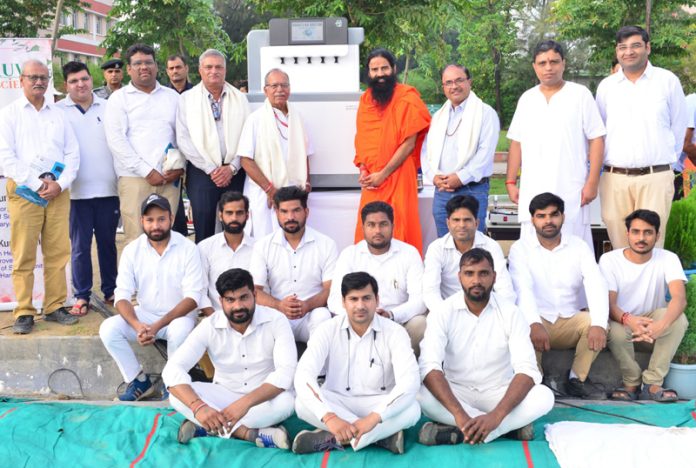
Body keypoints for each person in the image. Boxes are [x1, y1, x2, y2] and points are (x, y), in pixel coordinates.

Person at [418, 248, 554, 445]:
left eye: (483, 273)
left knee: (544, 396)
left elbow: (527, 369)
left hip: (498, 392)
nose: (476, 281)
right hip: (457, 391)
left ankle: (469, 432)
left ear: (494, 276)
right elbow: (429, 366)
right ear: (459, 277)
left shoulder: (511, 312)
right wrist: (459, 414)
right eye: (469, 273)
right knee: (419, 393)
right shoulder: (442, 312)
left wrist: (496, 416)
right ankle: (504, 429)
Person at [163, 268, 296, 448]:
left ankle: (208, 427)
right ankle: (248, 434)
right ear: (221, 301)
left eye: (244, 297)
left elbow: (285, 373)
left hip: (262, 399)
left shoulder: (276, 320)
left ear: (254, 295)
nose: (238, 306)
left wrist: (245, 403)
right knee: (176, 396)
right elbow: (173, 369)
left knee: (287, 402)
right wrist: (198, 407)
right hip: (223, 396)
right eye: (230, 300)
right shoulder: (209, 326)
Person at [293, 272, 421, 454]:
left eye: (366, 298)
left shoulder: (395, 332)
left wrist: (374, 418)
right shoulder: (327, 330)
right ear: (343, 302)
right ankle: (381, 438)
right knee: (301, 403)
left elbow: (409, 382)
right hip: (338, 401)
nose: (360, 306)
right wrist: (330, 418)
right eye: (353, 299)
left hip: (379, 404)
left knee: (413, 410)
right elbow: (303, 375)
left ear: (377, 299)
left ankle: (337, 439)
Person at [0, 59, 80, 334]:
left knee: (58, 252)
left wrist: (61, 183)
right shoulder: (9, 114)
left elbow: (72, 153)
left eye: (44, 78)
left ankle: (55, 306)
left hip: (57, 193)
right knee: (23, 255)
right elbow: (5, 157)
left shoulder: (58, 114)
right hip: (24, 192)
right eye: (33, 77)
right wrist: (37, 184)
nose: (39, 82)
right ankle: (23, 311)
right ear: (21, 80)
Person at [99, 194, 204, 401]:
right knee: (109, 328)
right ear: (142, 221)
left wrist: (156, 326)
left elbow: (193, 298)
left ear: (171, 219)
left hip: (178, 317)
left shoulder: (188, 249)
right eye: (150, 220)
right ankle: (138, 381)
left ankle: (172, 383)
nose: (155, 225)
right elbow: (122, 295)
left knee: (181, 330)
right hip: (145, 316)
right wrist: (138, 325)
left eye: (161, 219)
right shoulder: (132, 250)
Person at [506, 40, 605, 250]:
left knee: (574, 246)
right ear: (534, 66)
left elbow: (597, 138)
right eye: (542, 63)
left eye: (554, 61)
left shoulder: (580, 95)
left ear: (564, 64)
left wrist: (592, 182)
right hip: (533, 187)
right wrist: (510, 182)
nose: (548, 67)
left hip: (571, 187)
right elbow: (517, 142)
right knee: (532, 249)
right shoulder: (527, 99)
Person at [508, 193, 609, 398]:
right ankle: (534, 381)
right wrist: (534, 323)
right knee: (519, 324)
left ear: (563, 216)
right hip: (537, 322)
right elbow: (522, 289)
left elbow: (595, 283)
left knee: (598, 323)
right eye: (541, 216)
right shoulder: (520, 249)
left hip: (568, 321)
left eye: (554, 215)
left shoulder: (579, 246)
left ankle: (576, 379)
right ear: (532, 220)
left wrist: (598, 323)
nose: (548, 221)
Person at [596, 25, 687, 249]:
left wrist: (667, 165)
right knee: (620, 245)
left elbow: (679, 126)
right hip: (615, 178)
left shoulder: (667, 81)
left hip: (655, 177)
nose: (629, 52)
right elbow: (599, 131)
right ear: (617, 52)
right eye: (622, 47)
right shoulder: (607, 87)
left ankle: (653, 286)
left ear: (648, 47)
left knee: (651, 246)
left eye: (636, 45)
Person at [600, 209, 688, 402]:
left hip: (651, 327)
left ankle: (653, 383)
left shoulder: (668, 258)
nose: (641, 238)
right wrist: (628, 319)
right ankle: (631, 382)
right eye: (636, 232)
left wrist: (660, 325)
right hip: (621, 322)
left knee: (678, 319)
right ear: (627, 234)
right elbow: (609, 303)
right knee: (614, 330)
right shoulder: (610, 260)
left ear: (657, 235)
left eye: (648, 232)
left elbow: (679, 298)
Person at [354, 48, 431, 254]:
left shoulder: (407, 97)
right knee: (370, 227)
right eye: (374, 69)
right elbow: (362, 140)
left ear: (393, 69)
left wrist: (383, 174)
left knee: (400, 225)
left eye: (384, 68)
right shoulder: (365, 101)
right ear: (368, 73)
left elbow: (409, 144)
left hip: (398, 175)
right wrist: (363, 169)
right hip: (372, 180)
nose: (380, 74)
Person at [57, 61, 119, 315]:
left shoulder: (109, 107)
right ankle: (81, 295)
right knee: (80, 246)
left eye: (84, 79)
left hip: (108, 189)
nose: (80, 84)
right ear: (66, 85)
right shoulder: (57, 111)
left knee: (108, 243)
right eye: (74, 81)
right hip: (75, 193)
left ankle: (111, 290)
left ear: (91, 80)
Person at [104, 43, 182, 244]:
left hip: (168, 180)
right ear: (129, 69)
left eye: (148, 62)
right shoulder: (119, 99)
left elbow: (183, 137)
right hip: (135, 180)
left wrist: (181, 168)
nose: (144, 67)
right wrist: (147, 171)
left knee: (167, 240)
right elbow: (116, 141)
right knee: (137, 241)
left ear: (156, 66)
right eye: (137, 63)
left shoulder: (172, 97)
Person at [327, 201, 426, 354]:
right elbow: (334, 300)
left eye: (383, 224)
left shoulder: (409, 253)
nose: (377, 230)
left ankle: (412, 368)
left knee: (421, 323)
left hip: (398, 322)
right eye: (371, 225)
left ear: (392, 226)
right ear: (363, 228)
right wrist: (364, 315)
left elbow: (420, 300)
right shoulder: (350, 254)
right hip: (359, 322)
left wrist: (391, 315)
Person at [177, 49, 250, 243]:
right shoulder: (186, 99)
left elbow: (248, 136)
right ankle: (203, 271)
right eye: (208, 67)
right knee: (204, 227)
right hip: (202, 172)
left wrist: (232, 167)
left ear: (225, 71)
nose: (213, 71)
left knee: (235, 224)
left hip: (235, 171)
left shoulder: (240, 98)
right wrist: (212, 169)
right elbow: (184, 139)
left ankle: (235, 270)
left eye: (218, 67)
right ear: (200, 70)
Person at [250, 187, 336, 342]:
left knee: (323, 316)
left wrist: (307, 305)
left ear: (306, 212)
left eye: (296, 210)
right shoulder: (263, 246)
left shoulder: (326, 244)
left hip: (311, 314)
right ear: (276, 213)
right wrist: (279, 305)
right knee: (262, 319)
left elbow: (331, 289)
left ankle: (317, 367)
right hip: (277, 314)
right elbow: (255, 291)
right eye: (284, 211)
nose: (290, 217)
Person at [421, 64, 499, 235]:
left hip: (472, 189)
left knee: (471, 246)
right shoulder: (438, 116)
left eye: (459, 80)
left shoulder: (486, 113)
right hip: (442, 190)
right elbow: (426, 151)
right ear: (443, 87)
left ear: (469, 82)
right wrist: (433, 177)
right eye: (448, 82)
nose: (454, 86)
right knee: (445, 244)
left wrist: (460, 177)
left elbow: (485, 154)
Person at [239, 69, 312, 238]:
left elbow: (306, 154)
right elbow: (245, 160)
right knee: (265, 240)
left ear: (289, 89)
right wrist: (270, 189)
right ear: (265, 90)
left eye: (284, 85)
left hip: (293, 192)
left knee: (293, 237)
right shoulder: (255, 119)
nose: (280, 89)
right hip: (264, 193)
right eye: (274, 86)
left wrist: (307, 183)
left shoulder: (298, 118)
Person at [423, 195, 515, 312]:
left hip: (485, 311)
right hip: (448, 311)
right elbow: (430, 292)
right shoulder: (436, 248)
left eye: (467, 220)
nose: (462, 225)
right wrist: (446, 316)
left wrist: (501, 314)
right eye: (456, 220)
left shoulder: (491, 246)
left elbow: (504, 287)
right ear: (448, 223)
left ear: (476, 223)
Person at [197, 191, 255, 315]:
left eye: (239, 213)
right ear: (220, 215)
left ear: (247, 215)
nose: (234, 218)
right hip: (216, 316)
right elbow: (200, 290)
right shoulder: (205, 247)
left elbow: (261, 289)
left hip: (251, 316)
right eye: (229, 213)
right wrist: (213, 318)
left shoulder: (259, 248)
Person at [165, 54, 194, 238]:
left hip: (194, 156)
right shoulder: (163, 95)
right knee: (174, 204)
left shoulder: (197, 93)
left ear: (186, 68)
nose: (175, 71)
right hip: (170, 157)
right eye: (171, 68)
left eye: (178, 67)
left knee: (197, 203)